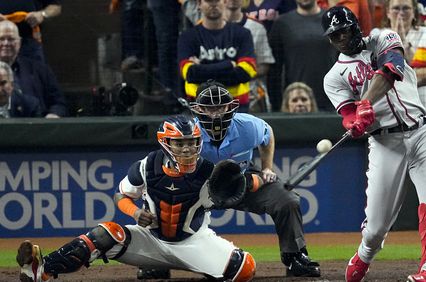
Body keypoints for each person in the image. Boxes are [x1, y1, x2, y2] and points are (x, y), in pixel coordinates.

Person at [16, 115, 256, 282]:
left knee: (244, 269)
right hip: (150, 240)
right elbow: (121, 195)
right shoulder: (146, 166)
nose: (187, 149)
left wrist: (257, 180)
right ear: (166, 143)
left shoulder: (209, 173)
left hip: (193, 242)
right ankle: (41, 270)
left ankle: (208, 269)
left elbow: (240, 185)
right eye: (180, 143)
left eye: (192, 143)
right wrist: (135, 213)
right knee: (104, 233)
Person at [322, 6, 426, 282]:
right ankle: (365, 253)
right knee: (376, 228)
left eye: (344, 30)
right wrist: (355, 123)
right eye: (334, 35)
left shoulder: (383, 37)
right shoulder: (333, 78)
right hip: (385, 144)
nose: (341, 38)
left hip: (422, 132)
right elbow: (348, 115)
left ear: (355, 26)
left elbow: (392, 69)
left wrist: (365, 102)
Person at [190, 80, 321, 277]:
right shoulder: (188, 132)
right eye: (210, 108)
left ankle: (295, 256)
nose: (216, 113)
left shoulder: (248, 125)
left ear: (229, 106)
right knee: (164, 199)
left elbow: (267, 135)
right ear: (199, 108)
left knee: (287, 199)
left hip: (241, 179)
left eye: (220, 106)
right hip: (197, 185)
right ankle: (159, 262)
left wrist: (267, 167)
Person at [178, 0, 257, 112]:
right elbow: (189, 74)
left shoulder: (243, 34)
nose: (213, 4)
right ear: (199, 4)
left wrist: (201, 69)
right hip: (200, 107)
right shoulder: (188, 37)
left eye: (217, 0)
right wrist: (229, 64)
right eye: (209, 1)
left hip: (236, 107)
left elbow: (246, 72)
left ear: (224, 2)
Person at [268, 0, 337, 111]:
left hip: (332, 98)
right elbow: (274, 70)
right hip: (296, 102)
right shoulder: (282, 23)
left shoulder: (333, 20)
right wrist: (277, 105)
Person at [0, 20, 66, 118]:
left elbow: (59, 103)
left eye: (11, 39)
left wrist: (53, 116)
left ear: (20, 42)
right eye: (1, 39)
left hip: (37, 128)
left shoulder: (40, 69)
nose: (6, 43)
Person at [382, 0, 426, 112]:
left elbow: (422, 69)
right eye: (396, 8)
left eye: (406, 8)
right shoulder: (378, 35)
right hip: (391, 106)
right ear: (388, 12)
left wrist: (405, 45)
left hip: (422, 101)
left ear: (414, 12)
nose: (401, 13)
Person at [225, 0, 275, 113]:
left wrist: (235, 75)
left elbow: (264, 65)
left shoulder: (256, 27)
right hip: (217, 92)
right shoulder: (208, 27)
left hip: (251, 93)